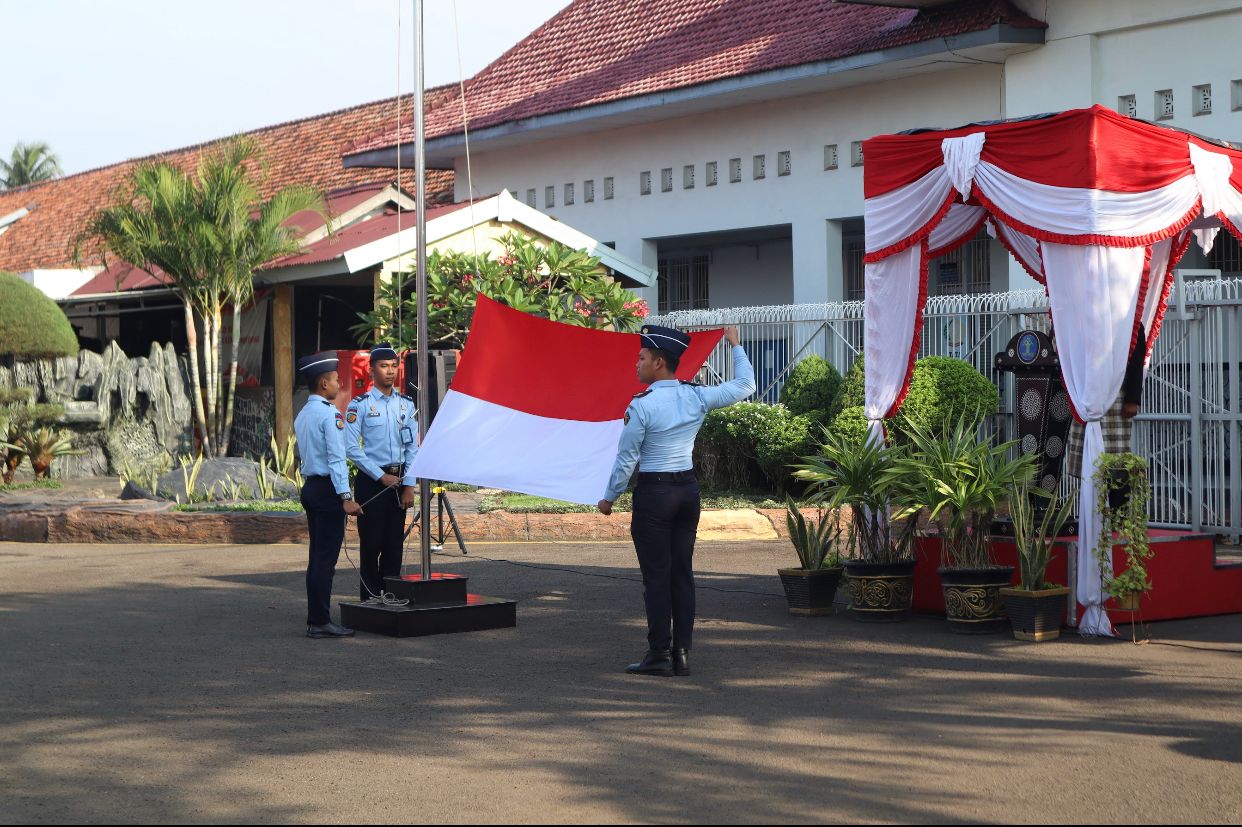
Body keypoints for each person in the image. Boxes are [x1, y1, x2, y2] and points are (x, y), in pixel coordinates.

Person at [598, 324, 755, 677]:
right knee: (682, 574)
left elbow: (627, 459)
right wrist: (735, 345)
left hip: (655, 494)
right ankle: (681, 654)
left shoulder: (642, 405)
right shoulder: (695, 395)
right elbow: (746, 385)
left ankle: (658, 654)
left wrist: (609, 497)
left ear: (658, 362)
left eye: (641, 358)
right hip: (687, 491)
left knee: (656, 576)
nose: (636, 364)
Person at [294, 351, 364, 639]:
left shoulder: (303, 414)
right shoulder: (330, 414)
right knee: (325, 561)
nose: (339, 384)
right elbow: (336, 459)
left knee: (317, 558)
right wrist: (346, 496)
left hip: (311, 486)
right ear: (324, 384)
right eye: (336, 380)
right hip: (327, 490)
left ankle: (316, 619)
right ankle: (320, 621)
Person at [343, 343, 419, 602]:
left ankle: (391, 599)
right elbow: (352, 448)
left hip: (399, 482)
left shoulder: (406, 404)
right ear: (371, 370)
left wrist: (409, 485)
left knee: (394, 546)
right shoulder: (360, 405)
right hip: (372, 482)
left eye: (394, 366)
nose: (390, 371)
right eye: (383, 366)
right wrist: (380, 476)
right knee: (371, 545)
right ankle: (369, 602)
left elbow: (412, 447)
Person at [1066, 323, 1147, 478]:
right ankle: (1089, 493)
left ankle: (1117, 492)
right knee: (1086, 459)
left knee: (1117, 464)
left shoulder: (1127, 317)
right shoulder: (1080, 317)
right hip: (1085, 392)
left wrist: (1132, 399)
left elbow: (1137, 359)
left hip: (1116, 392)